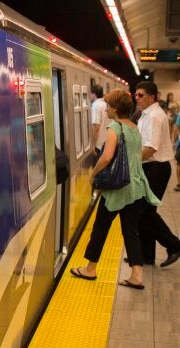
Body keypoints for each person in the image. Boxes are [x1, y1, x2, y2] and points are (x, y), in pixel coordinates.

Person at [70, 89, 160, 289]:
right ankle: (137, 275)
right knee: (130, 231)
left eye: (109, 106)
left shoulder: (115, 127)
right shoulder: (133, 128)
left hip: (117, 190)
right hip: (136, 188)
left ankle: (90, 269)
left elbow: (107, 156)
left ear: (116, 108)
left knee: (100, 228)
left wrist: (93, 173)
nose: (106, 110)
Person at [133, 81, 180, 267]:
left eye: (141, 95)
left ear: (152, 97)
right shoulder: (146, 115)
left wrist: (131, 164)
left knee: (144, 212)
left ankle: (174, 245)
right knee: (145, 213)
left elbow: (151, 148)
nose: (136, 98)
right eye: (136, 95)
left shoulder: (154, 116)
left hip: (156, 169)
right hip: (150, 168)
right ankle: (147, 256)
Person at [91, 84, 110, 161]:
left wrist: (93, 145)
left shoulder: (96, 106)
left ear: (94, 94)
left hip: (99, 145)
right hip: (107, 142)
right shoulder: (106, 105)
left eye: (90, 94)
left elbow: (96, 127)